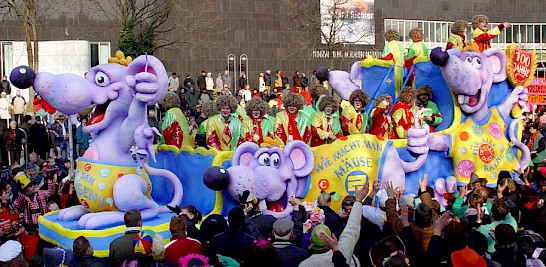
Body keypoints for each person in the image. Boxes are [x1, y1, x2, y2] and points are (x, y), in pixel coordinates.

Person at [299, 183, 367, 267]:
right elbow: (352, 229)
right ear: (331, 238)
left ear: (311, 240)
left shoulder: (305, 265)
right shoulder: (344, 251)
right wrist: (358, 200)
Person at [381, 29, 404, 93]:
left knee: (390, 89)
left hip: (391, 72)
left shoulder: (389, 45)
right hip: (401, 71)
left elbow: (385, 59)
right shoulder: (401, 46)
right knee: (399, 89)